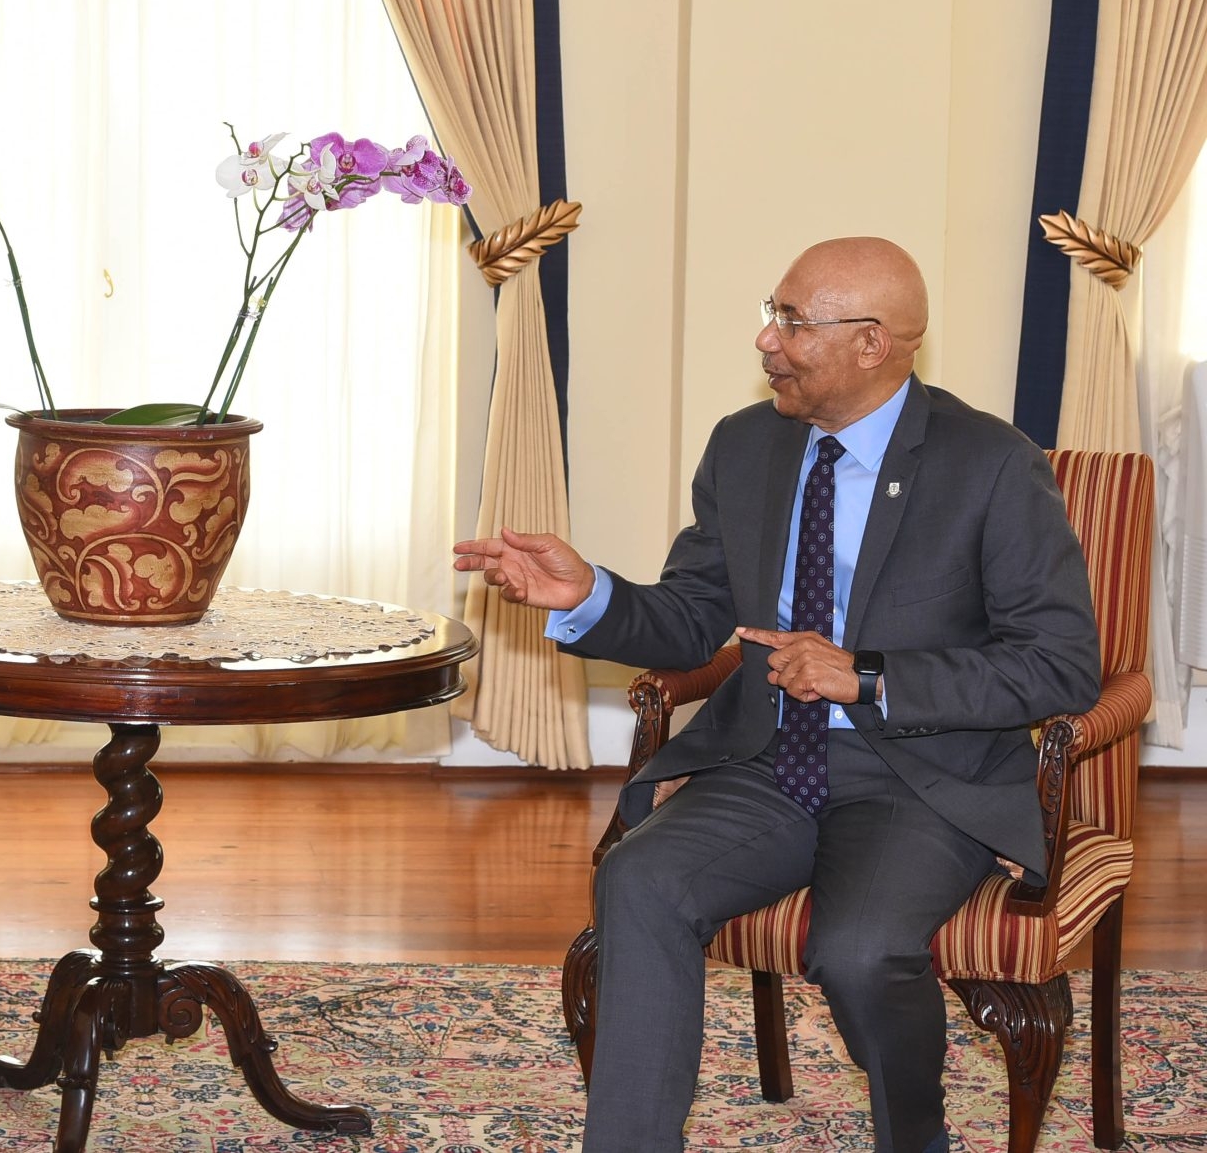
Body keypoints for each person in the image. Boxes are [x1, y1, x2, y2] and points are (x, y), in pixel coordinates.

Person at [455, 236, 1100, 1153]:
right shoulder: (747, 444)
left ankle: (915, 1138)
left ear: (873, 343)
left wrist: (867, 674)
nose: (767, 339)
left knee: (861, 949)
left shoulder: (991, 463)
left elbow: (1060, 664)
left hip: (919, 775)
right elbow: (692, 619)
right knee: (639, 877)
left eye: (793, 322)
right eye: (774, 312)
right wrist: (587, 593)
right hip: (769, 759)